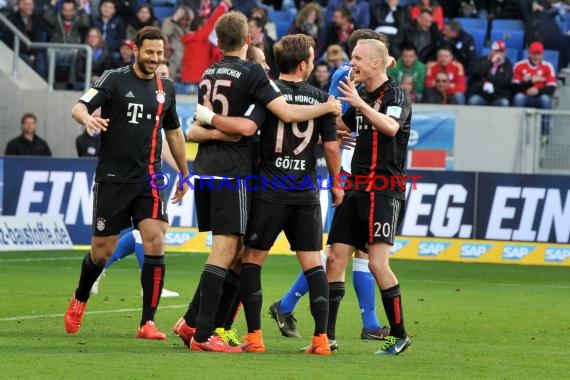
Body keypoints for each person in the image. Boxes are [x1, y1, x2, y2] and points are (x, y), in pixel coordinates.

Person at [172, 10, 340, 353]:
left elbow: (192, 129)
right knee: (230, 253)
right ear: (248, 43)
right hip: (243, 175)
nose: (263, 68)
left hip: (214, 169)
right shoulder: (259, 80)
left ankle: (203, 324)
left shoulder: (208, 71)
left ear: (218, 42)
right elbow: (264, 124)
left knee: (237, 256)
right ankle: (206, 334)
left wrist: (209, 121)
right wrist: (328, 108)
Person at [63, 26, 190, 340]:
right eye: (149, 52)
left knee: (155, 240)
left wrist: (185, 174)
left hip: (149, 178)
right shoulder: (114, 79)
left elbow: (173, 133)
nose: (154, 58)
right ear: (136, 49)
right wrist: (87, 118)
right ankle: (80, 297)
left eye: (159, 53)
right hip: (113, 180)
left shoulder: (166, 88)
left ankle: (147, 322)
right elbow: (78, 106)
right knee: (101, 253)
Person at [269, 29, 392, 345]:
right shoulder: (347, 74)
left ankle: (369, 322)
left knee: (357, 250)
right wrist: (341, 133)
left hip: (366, 173)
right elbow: (331, 118)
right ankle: (288, 305)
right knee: (336, 252)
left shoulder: (367, 77)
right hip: (350, 173)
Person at [237, 34, 343, 355]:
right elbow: (331, 147)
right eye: (311, 59)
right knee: (313, 264)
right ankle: (321, 340)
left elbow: (248, 130)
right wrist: (337, 182)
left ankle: (254, 338)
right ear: (302, 64)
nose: (313, 64)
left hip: (269, 190)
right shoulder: (322, 99)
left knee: (252, 260)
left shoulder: (267, 95)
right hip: (305, 191)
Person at [327, 38, 412, 355]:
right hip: (355, 187)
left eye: (357, 58)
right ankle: (327, 338)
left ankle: (399, 335)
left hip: (384, 189)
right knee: (335, 259)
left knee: (377, 264)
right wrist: (321, 110)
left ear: (377, 63)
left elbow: (390, 127)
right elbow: (340, 124)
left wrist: (358, 104)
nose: (352, 64)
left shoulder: (396, 95)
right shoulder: (360, 93)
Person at [512, 41, 557, 142]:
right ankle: (516, 131)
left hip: (540, 97)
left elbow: (552, 87)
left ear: (542, 54)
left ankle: (544, 134)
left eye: (539, 54)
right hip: (525, 96)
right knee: (518, 98)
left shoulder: (548, 66)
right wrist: (529, 84)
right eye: (534, 54)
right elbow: (514, 87)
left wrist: (538, 91)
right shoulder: (519, 65)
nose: (536, 57)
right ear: (529, 53)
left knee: (546, 99)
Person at [468, 39, 513, 107]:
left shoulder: (507, 63)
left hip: (498, 96)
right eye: (496, 51)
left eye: (501, 51)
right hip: (481, 94)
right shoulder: (482, 60)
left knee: (504, 102)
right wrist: (491, 62)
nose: (499, 54)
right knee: (473, 101)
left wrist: (487, 79)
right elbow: (477, 73)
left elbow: (506, 81)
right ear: (491, 51)